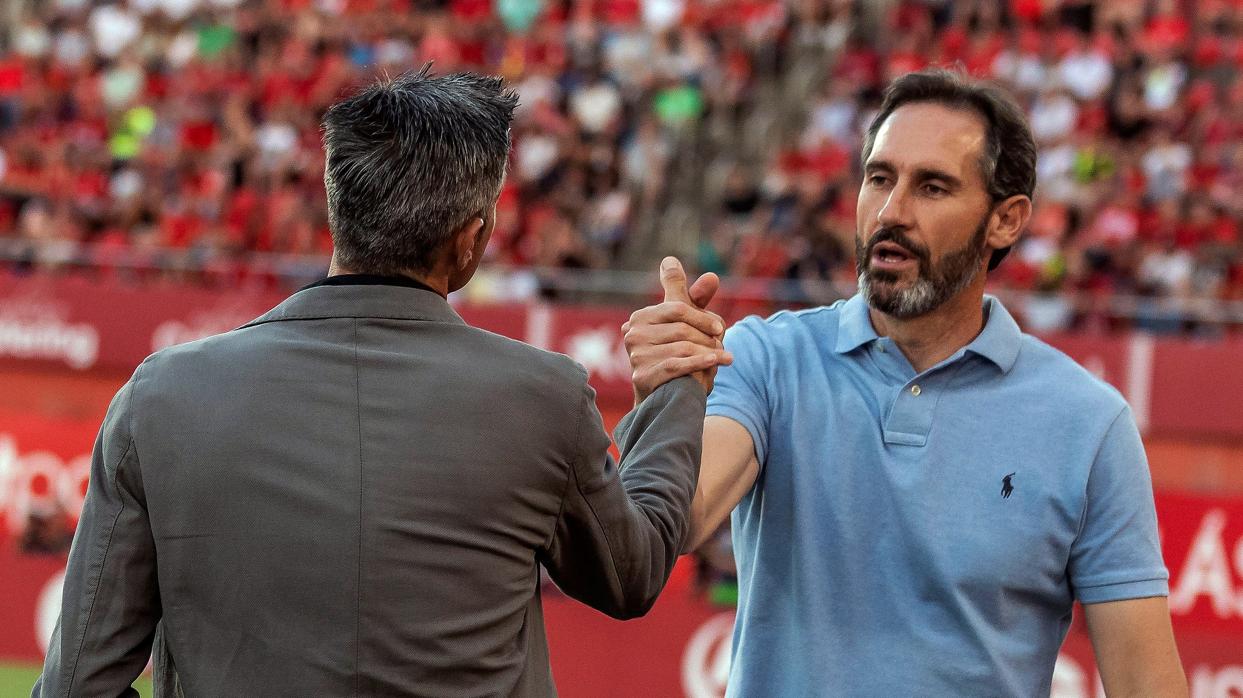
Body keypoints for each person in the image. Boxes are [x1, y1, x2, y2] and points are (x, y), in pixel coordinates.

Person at [33, 69, 731, 697]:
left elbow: (76, 684)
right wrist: (673, 390)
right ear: (472, 238)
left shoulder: (160, 396)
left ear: (339, 212)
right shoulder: (543, 395)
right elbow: (629, 574)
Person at [623, 69, 1187, 696]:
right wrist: (670, 399)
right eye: (880, 178)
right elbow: (672, 524)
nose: (892, 213)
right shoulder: (763, 358)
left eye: (933, 187)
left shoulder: (1089, 424)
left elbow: (1146, 682)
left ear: (1006, 220)